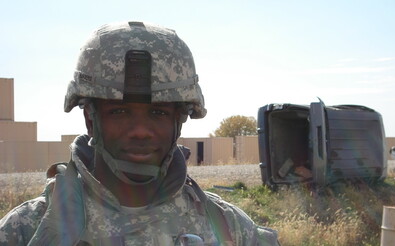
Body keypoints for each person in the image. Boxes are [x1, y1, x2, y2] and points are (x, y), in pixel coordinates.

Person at [0, 21, 279, 245]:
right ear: (90, 119)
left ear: (178, 121)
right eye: (119, 112)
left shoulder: (230, 228)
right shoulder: (27, 229)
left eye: (158, 112)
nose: (141, 131)